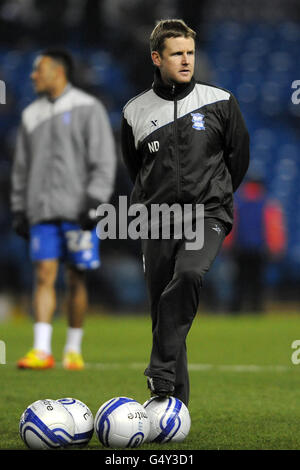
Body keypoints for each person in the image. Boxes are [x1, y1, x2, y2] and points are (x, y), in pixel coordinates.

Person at [121, 19, 249, 407]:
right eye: (177, 53)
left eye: (190, 52)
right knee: (164, 311)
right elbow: (135, 167)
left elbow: (238, 158)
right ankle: (173, 407)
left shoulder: (221, 102)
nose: (187, 60)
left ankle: (159, 375)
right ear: (157, 58)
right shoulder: (133, 111)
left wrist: (217, 199)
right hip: (156, 220)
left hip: (207, 214)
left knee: (190, 273)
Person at [11, 49, 116, 370]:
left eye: (38, 70)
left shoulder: (88, 108)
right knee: (43, 274)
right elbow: (22, 167)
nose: (33, 76)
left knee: (76, 277)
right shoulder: (31, 115)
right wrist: (19, 207)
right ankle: (41, 349)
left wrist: (95, 200)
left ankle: (73, 347)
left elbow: (103, 158)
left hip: (79, 211)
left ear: (58, 72)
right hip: (42, 211)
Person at [223, 176, 287, 312]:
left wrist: (227, 246)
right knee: (256, 282)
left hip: (240, 249)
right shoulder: (268, 203)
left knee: (239, 281)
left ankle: (236, 310)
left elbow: (231, 226)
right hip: (259, 249)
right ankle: (256, 309)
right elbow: (274, 228)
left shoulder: (237, 202)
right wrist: (275, 247)